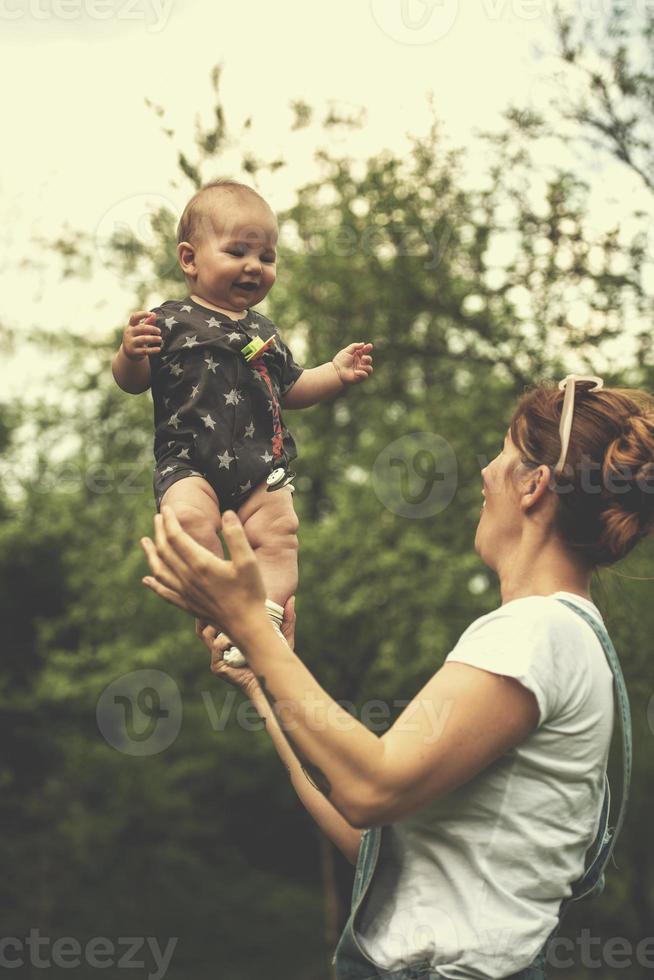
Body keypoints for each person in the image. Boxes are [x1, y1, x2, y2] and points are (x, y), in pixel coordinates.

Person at [139, 375, 652, 979]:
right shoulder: (559, 635)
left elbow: (371, 789)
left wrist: (253, 628)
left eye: (504, 453)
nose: (486, 473)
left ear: (535, 485)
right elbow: (375, 839)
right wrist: (265, 681)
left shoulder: (536, 633)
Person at [112, 178, 373, 663]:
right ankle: (219, 608)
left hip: (261, 466)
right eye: (237, 252)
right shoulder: (168, 320)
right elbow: (132, 381)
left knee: (282, 536)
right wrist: (130, 354)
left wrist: (334, 373)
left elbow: (291, 389)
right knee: (188, 519)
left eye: (267, 258)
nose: (254, 266)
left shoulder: (266, 332)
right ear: (190, 259)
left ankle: (266, 620)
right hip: (190, 463)